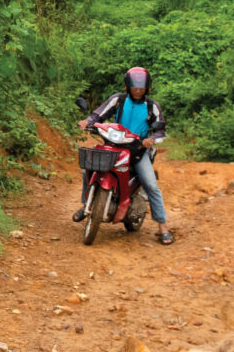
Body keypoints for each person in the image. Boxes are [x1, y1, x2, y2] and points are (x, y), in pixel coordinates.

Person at [74, 67, 174, 245]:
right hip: (113, 145)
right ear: (128, 86)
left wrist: (151, 139)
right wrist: (87, 122)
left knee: (151, 184)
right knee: (88, 169)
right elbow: (98, 114)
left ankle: (163, 227)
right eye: (134, 87)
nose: (137, 90)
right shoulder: (118, 100)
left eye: (141, 87)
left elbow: (160, 131)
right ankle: (85, 205)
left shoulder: (152, 106)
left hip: (137, 151)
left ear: (147, 88)